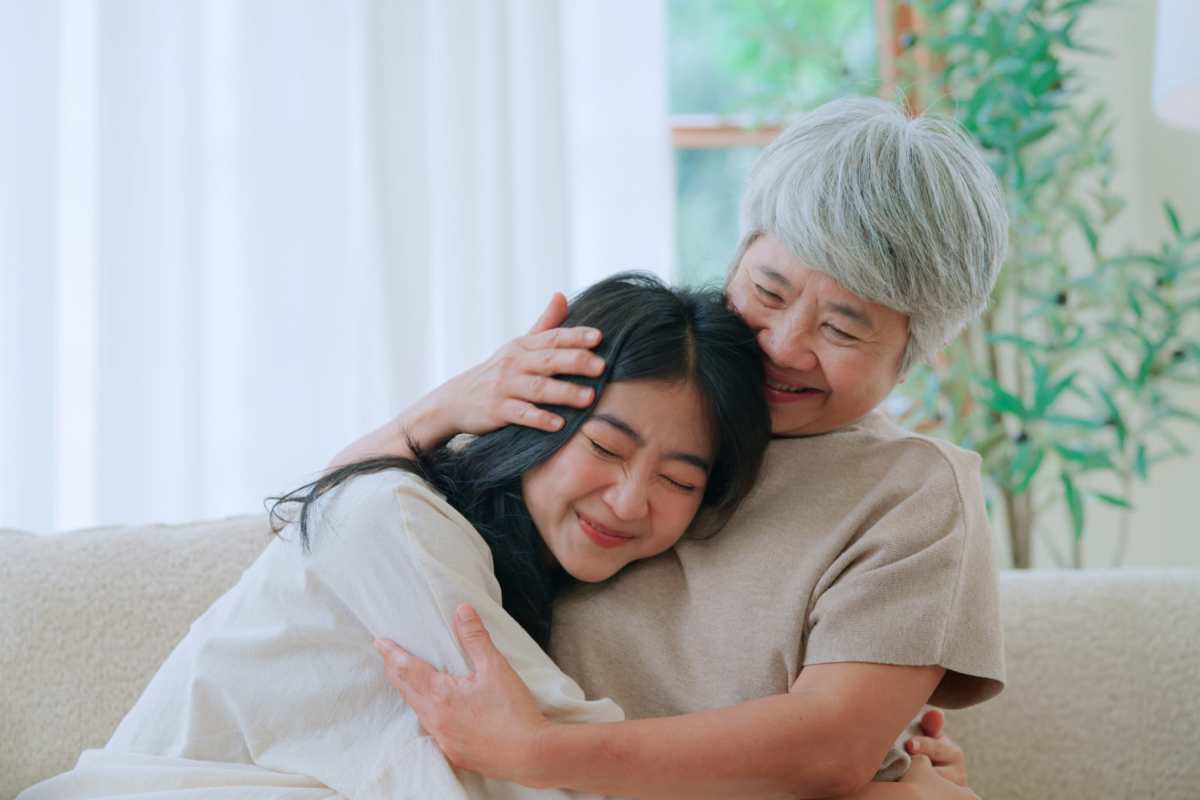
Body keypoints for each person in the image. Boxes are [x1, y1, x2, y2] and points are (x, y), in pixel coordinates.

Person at [344, 96, 1010, 800]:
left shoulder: (913, 493)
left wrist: (537, 752)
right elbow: (334, 531)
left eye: (842, 330)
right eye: (769, 291)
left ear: (914, 352)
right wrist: (449, 405)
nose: (783, 347)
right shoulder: (634, 383)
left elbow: (831, 748)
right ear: (738, 257)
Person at [17, 275, 773, 800]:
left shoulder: (506, 566)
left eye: (680, 482)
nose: (631, 499)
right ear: (538, 416)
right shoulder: (398, 518)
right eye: (605, 447)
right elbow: (556, 766)